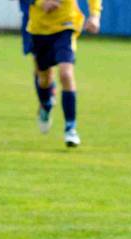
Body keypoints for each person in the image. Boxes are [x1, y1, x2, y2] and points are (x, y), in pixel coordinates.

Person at [26, 0, 102, 147]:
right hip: (39, 30)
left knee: (66, 74)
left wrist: (95, 16)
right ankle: (46, 104)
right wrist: (41, 3)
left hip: (66, 26)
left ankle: (70, 128)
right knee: (44, 78)